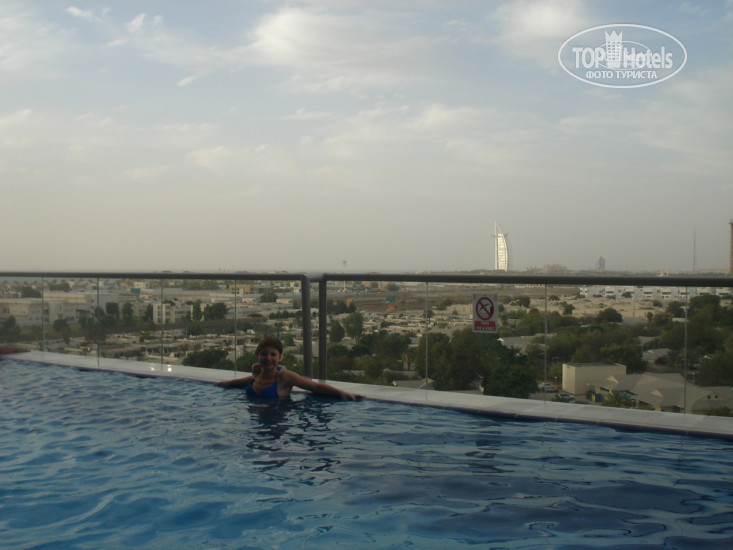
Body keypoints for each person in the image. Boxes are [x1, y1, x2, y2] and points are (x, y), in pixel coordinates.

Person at [216, 336, 363, 401]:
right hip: (255, 425)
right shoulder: (256, 370)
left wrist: (343, 393)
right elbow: (249, 380)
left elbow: (315, 387)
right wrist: (227, 383)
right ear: (257, 355)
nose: (268, 358)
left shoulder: (285, 377)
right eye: (264, 354)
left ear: (279, 357)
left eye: (273, 354)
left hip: (275, 426)